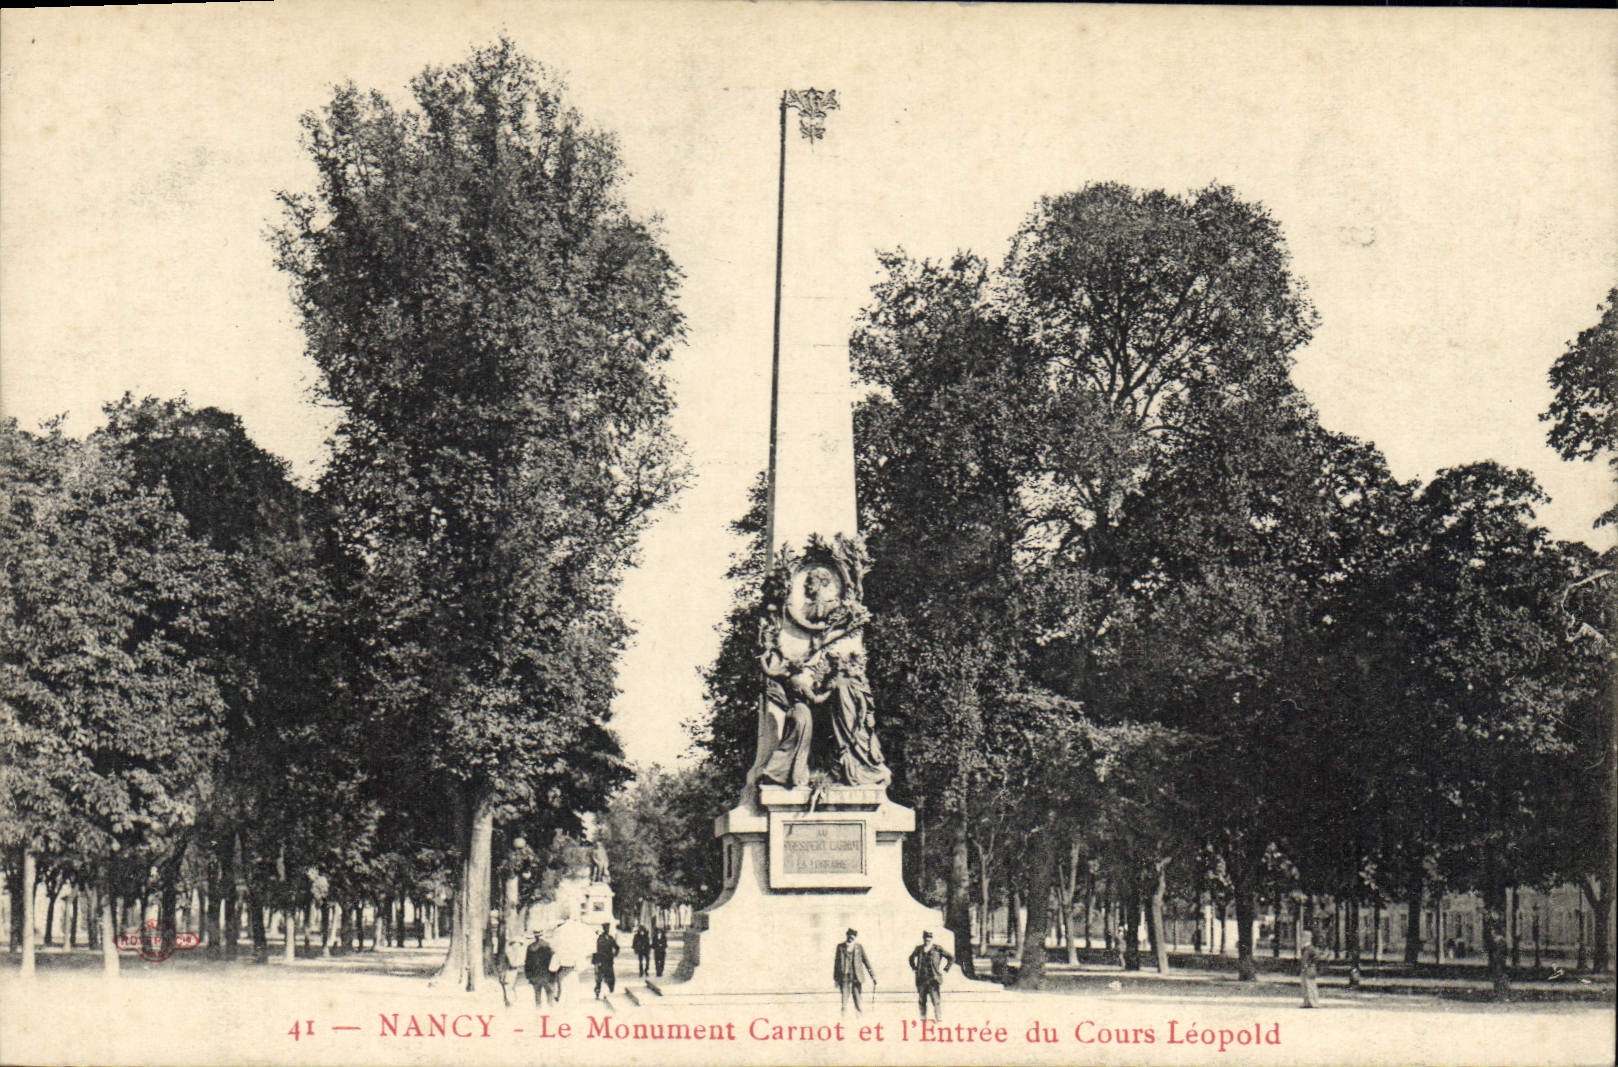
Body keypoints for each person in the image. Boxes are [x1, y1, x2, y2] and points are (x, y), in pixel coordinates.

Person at [908, 930, 953, 1020]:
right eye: (926, 938)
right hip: (922, 979)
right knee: (922, 1000)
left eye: (929, 938)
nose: (927, 940)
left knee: (936, 1000)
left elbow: (951, 957)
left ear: (931, 939)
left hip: (933, 979)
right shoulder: (919, 949)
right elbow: (911, 958)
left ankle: (938, 1018)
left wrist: (946, 969)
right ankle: (923, 1018)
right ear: (923, 938)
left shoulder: (937, 949)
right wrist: (914, 968)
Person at [832, 928, 877, 1015]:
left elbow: (866, 962)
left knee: (858, 1002)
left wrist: (873, 976)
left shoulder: (859, 947)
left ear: (855, 938)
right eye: (849, 937)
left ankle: (859, 1020)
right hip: (844, 978)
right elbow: (836, 964)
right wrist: (836, 979)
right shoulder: (840, 947)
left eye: (853, 937)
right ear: (847, 936)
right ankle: (843, 1019)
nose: (851, 939)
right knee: (844, 1003)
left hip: (857, 978)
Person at [524, 931, 555, 1007]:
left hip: (535, 975)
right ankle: (551, 1013)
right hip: (547, 975)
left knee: (537, 996)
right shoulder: (548, 946)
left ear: (535, 936)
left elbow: (527, 963)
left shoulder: (530, 947)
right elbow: (553, 961)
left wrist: (528, 975)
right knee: (550, 995)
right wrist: (554, 974)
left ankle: (538, 1013)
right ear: (542, 935)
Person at [593, 923, 620, 999]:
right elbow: (595, 950)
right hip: (601, 962)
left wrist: (614, 955)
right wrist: (596, 961)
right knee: (599, 979)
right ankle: (597, 993)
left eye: (608, 928)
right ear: (603, 928)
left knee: (611, 978)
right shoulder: (599, 938)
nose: (607, 929)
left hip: (609, 961)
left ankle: (611, 991)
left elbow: (617, 947)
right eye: (605, 928)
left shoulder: (610, 938)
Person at [1299, 928, 1321, 1008]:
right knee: (1305, 986)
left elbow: (1316, 957)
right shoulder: (1305, 948)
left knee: (1311, 986)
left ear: (1307, 938)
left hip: (1309, 970)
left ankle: (1314, 1002)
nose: (1301, 939)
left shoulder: (1310, 948)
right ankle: (1307, 1002)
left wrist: (1309, 964)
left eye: (1303, 937)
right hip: (1305, 969)